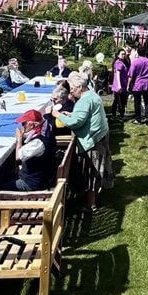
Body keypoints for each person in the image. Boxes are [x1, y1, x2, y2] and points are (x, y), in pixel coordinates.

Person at [54, 73, 114, 211]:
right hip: (100, 136)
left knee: (91, 173)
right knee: (93, 172)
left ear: (80, 87)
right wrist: (72, 115)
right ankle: (92, 199)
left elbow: (76, 122)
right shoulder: (92, 95)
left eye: (73, 89)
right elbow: (83, 116)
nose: (72, 92)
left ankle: (90, 204)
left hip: (92, 140)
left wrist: (58, 115)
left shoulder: (84, 100)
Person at [4, 110, 57, 192]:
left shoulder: (38, 142)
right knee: (3, 175)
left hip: (33, 183)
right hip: (41, 174)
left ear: (33, 125)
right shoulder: (46, 129)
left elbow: (18, 157)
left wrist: (19, 139)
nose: (23, 126)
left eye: (24, 123)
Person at [127, 48, 148, 124]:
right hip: (147, 84)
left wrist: (128, 85)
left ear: (138, 53)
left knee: (137, 102)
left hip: (138, 84)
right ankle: (147, 118)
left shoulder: (135, 62)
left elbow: (131, 75)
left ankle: (138, 119)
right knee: (147, 102)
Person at [111, 49, 130, 118]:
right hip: (119, 85)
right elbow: (117, 74)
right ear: (118, 55)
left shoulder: (122, 62)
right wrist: (119, 85)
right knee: (121, 101)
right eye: (122, 54)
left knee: (117, 100)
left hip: (123, 84)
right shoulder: (118, 63)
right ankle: (120, 115)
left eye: (124, 54)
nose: (123, 55)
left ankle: (114, 113)